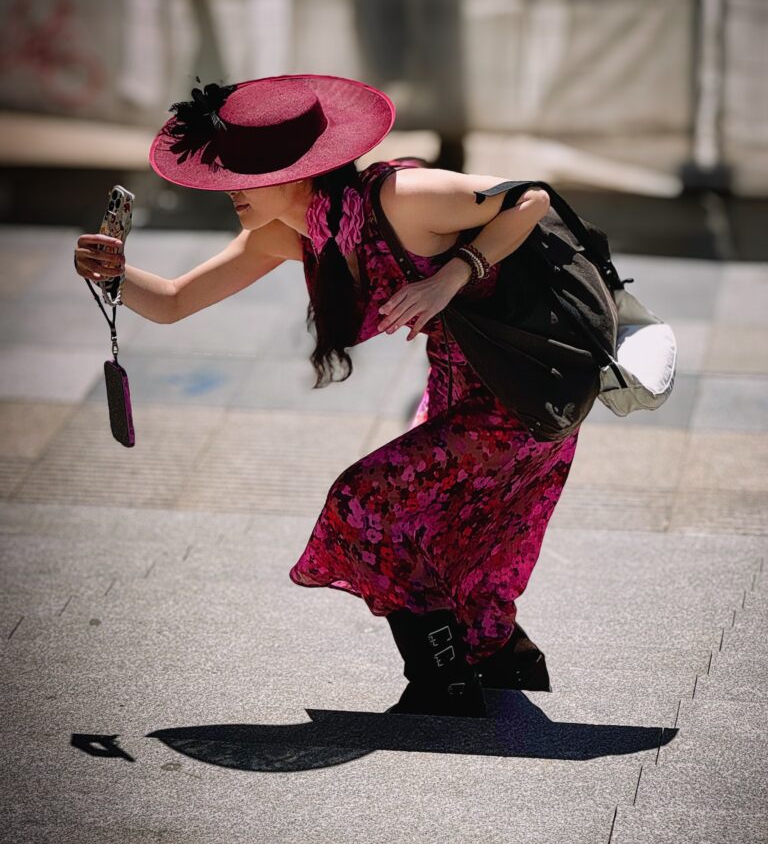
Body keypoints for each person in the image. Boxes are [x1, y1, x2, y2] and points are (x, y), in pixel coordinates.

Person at [74, 74, 581, 719]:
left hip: (526, 397)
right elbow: (174, 302)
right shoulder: (289, 232)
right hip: (459, 395)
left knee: (366, 499)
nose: (230, 189)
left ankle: (444, 684)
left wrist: (454, 275)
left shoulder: (403, 200)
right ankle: (507, 660)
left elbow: (531, 199)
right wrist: (114, 274)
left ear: (298, 172)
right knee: (452, 550)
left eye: (245, 175)